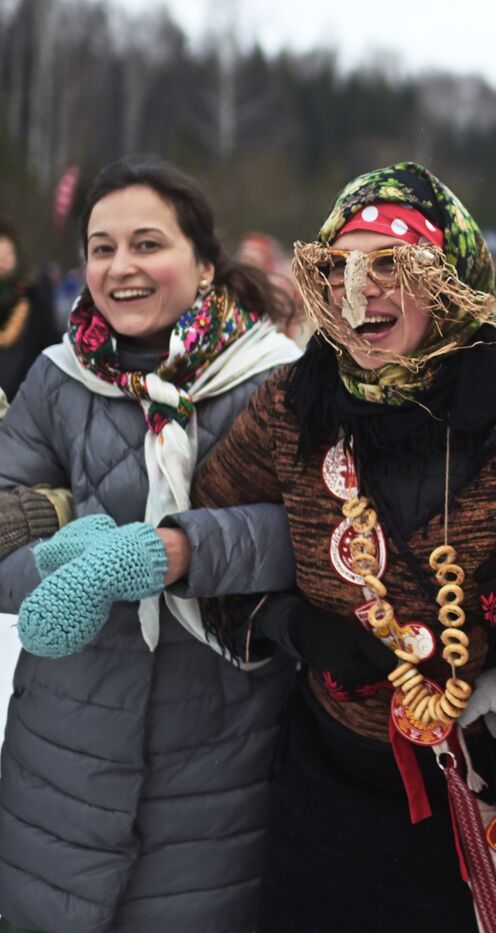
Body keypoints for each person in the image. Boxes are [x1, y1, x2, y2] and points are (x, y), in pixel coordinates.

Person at [184, 162, 496, 932]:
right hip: (333, 791)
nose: (358, 289)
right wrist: (290, 626)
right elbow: (210, 540)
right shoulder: (292, 404)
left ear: (454, 280)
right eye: (339, 268)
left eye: (390, 267)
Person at [0, 159, 303, 933]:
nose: (120, 267)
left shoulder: (277, 379)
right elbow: (4, 522)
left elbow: (312, 528)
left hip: (220, 745)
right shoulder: (55, 380)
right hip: (63, 746)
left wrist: (178, 550)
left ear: (203, 262)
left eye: (146, 243)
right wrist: (60, 556)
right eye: (101, 248)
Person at [0, 218, 60, 401]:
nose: (3, 262)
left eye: (8, 255)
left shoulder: (33, 298)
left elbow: (49, 345)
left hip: (25, 397)